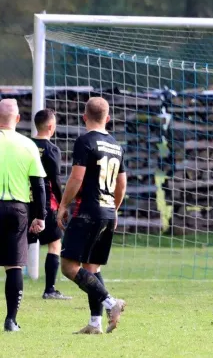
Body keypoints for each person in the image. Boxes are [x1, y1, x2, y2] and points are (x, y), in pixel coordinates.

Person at [57, 97, 127, 334]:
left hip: (87, 210)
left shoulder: (85, 141)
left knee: (68, 266)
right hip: (107, 211)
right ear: (107, 119)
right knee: (92, 269)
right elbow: (122, 184)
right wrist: (115, 210)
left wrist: (63, 204)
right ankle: (95, 324)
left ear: (84, 117)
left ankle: (110, 303)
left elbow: (77, 178)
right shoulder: (117, 146)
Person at [0, 98, 47, 332]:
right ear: (18, 119)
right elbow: (39, 185)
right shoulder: (28, 145)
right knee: (14, 267)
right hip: (17, 210)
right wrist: (41, 216)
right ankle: (11, 320)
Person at [27, 108, 71, 300]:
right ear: (51, 126)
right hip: (46, 205)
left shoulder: (25, 145)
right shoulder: (52, 150)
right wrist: (63, 204)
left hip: (23, 201)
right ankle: (49, 289)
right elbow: (55, 180)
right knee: (54, 244)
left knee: (18, 245)